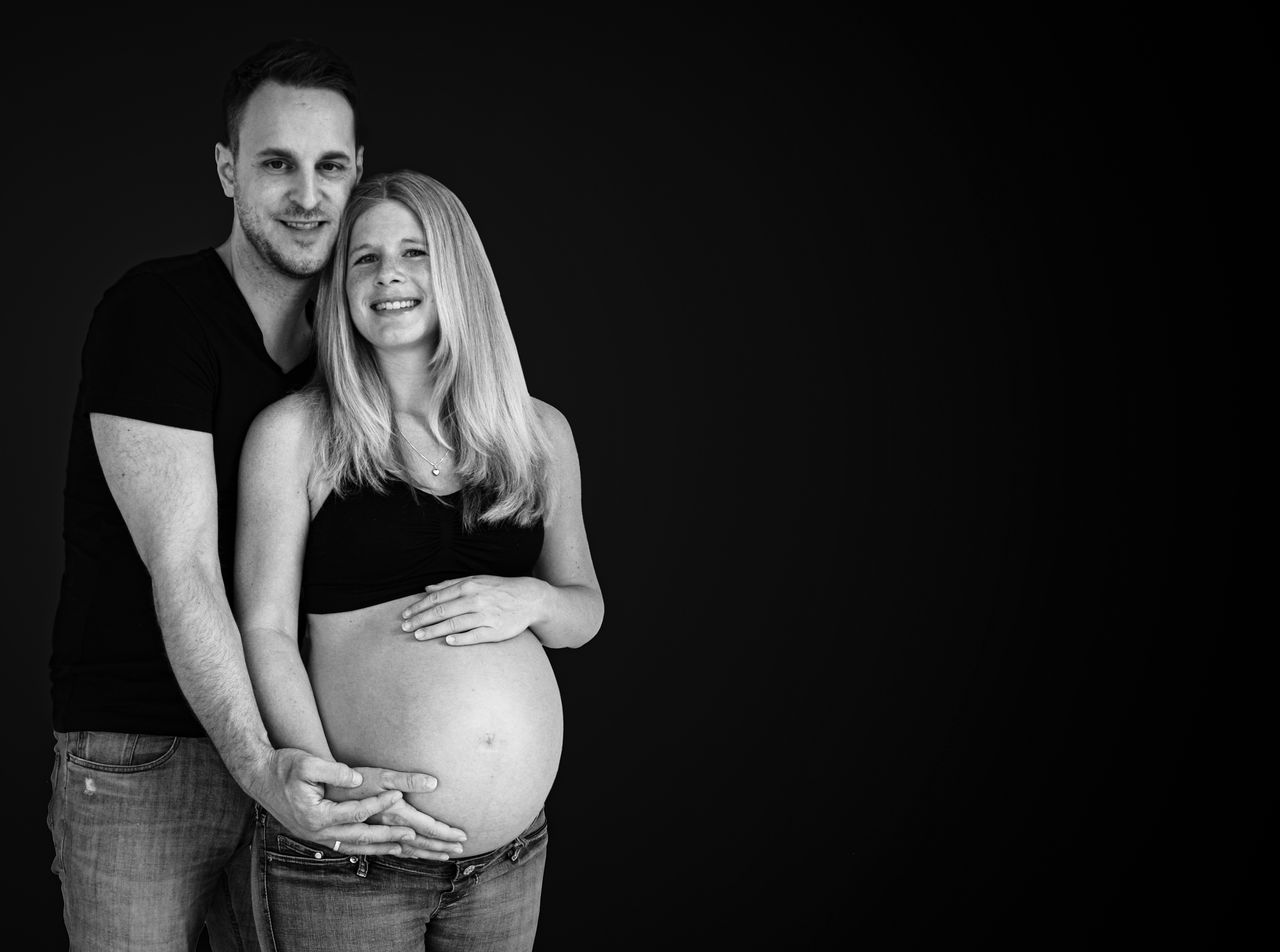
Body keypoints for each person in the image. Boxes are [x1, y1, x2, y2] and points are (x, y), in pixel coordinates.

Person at [47, 41, 467, 952]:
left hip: (311, 748)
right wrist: (259, 763)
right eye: (276, 164)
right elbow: (186, 567)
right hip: (150, 752)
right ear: (228, 169)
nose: (308, 196)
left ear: (357, 170)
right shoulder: (154, 315)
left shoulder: (358, 342)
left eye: (329, 167)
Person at [235, 169, 603, 950]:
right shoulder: (297, 434)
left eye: (414, 250)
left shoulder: (538, 434)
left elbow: (583, 611)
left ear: (459, 272)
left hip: (507, 859)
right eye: (363, 259)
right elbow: (263, 629)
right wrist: (333, 794)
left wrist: (529, 602)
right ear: (340, 288)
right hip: (353, 851)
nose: (389, 274)